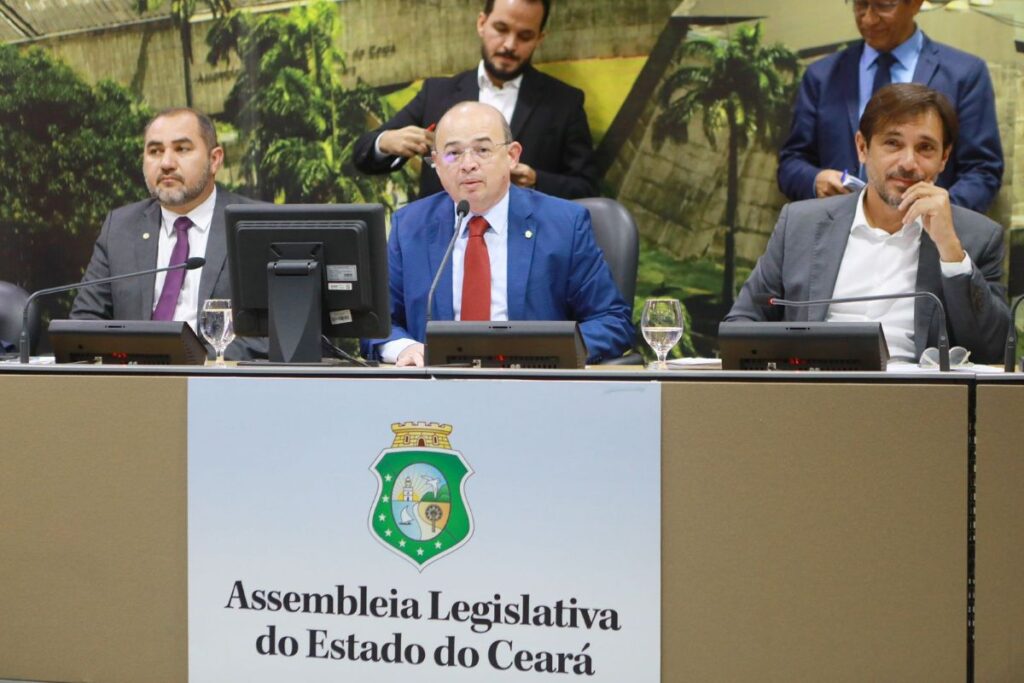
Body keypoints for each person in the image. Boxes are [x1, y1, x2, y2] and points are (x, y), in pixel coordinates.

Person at [729, 84, 1009, 363]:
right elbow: (741, 324)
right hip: (815, 384)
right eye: (893, 143)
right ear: (862, 148)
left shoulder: (977, 238)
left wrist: (951, 251)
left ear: (944, 158)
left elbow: (994, 351)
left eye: (925, 148)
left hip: (913, 388)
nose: (908, 163)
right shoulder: (800, 224)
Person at [365, 101, 632, 366]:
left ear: (512, 156)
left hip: (534, 383)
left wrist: (548, 352)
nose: (467, 164)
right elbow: (377, 324)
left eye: (482, 150)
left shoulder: (564, 224)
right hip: (436, 385)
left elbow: (610, 321)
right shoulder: (410, 226)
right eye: (453, 153)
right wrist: (406, 348)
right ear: (436, 162)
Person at [70, 107, 265, 359]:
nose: (166, 163)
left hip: (218, 378)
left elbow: (275, 332)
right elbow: (85, 323)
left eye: (182, 149)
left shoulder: (253, 225)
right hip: (136, 378)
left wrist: (198, 363)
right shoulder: (120, 228)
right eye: (155, 151)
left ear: (215, 160)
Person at [353, 0, 597, 200]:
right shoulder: (437, 93)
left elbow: (587, 187)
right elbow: (362, 154)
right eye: (501, 29)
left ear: (539, 39)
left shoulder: (564, 103)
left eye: (525, 36)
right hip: (443, 237)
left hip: (527, 237)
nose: (510, 45)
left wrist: (535, 180)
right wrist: (386, 142)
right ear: (482, 23)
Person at [777, 0, 1002, 213]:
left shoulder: (963, 75)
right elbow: (792, 162)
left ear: (915, 4)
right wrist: (815, 181)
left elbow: (982, 170)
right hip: (836, 229)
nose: (868, 19)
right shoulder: (822, 76)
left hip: (926, 235)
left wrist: (939, 213)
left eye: (883, 6)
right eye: (861, 4)